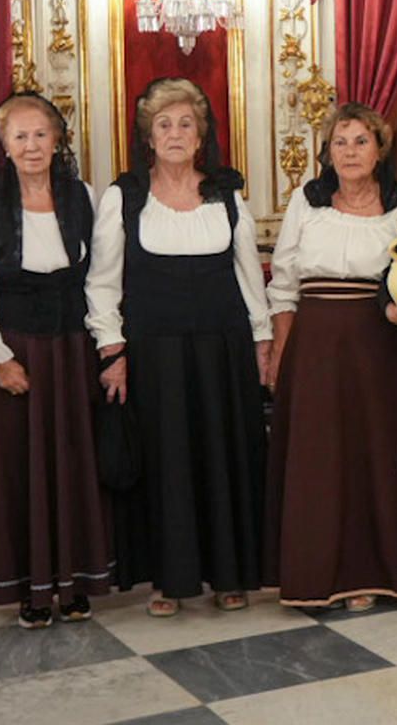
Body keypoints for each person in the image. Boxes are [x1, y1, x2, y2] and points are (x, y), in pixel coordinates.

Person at [86, 78, 270, 617]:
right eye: (164, 124)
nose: (175, 133)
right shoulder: (124, 197)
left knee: (225, 460)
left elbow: (249, 277)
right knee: (165, 464)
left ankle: (229, 575)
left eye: (186, 124)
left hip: (223, 352)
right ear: (148, 136)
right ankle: (167, 580)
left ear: (200, 135)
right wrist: (111, 351)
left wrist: (262, 342)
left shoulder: (226, 195)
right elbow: (102, 282)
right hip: (153, 355)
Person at [0, 93, 114, 628]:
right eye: (19, 136)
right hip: (15, 353)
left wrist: (106, 346)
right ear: (4, 145)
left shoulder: (84, 198)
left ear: (57, 139)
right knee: (19, 469)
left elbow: (102, 278)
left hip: (71, 351)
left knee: (73, 465)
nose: (31, 145)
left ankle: (75, 581)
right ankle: (30, 589)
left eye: (40, 134)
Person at [263, 103, 397, 611]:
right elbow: (284, 283)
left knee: (376, 455)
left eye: (360, 141)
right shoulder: (306, 203)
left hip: (380, 345)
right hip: (314, 346)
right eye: (340, 142)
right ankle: (316, 575)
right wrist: (281, 353)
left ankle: (373, 574)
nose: (350, 152)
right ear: (327, 153)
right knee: (319, 458)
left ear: (380, 150)